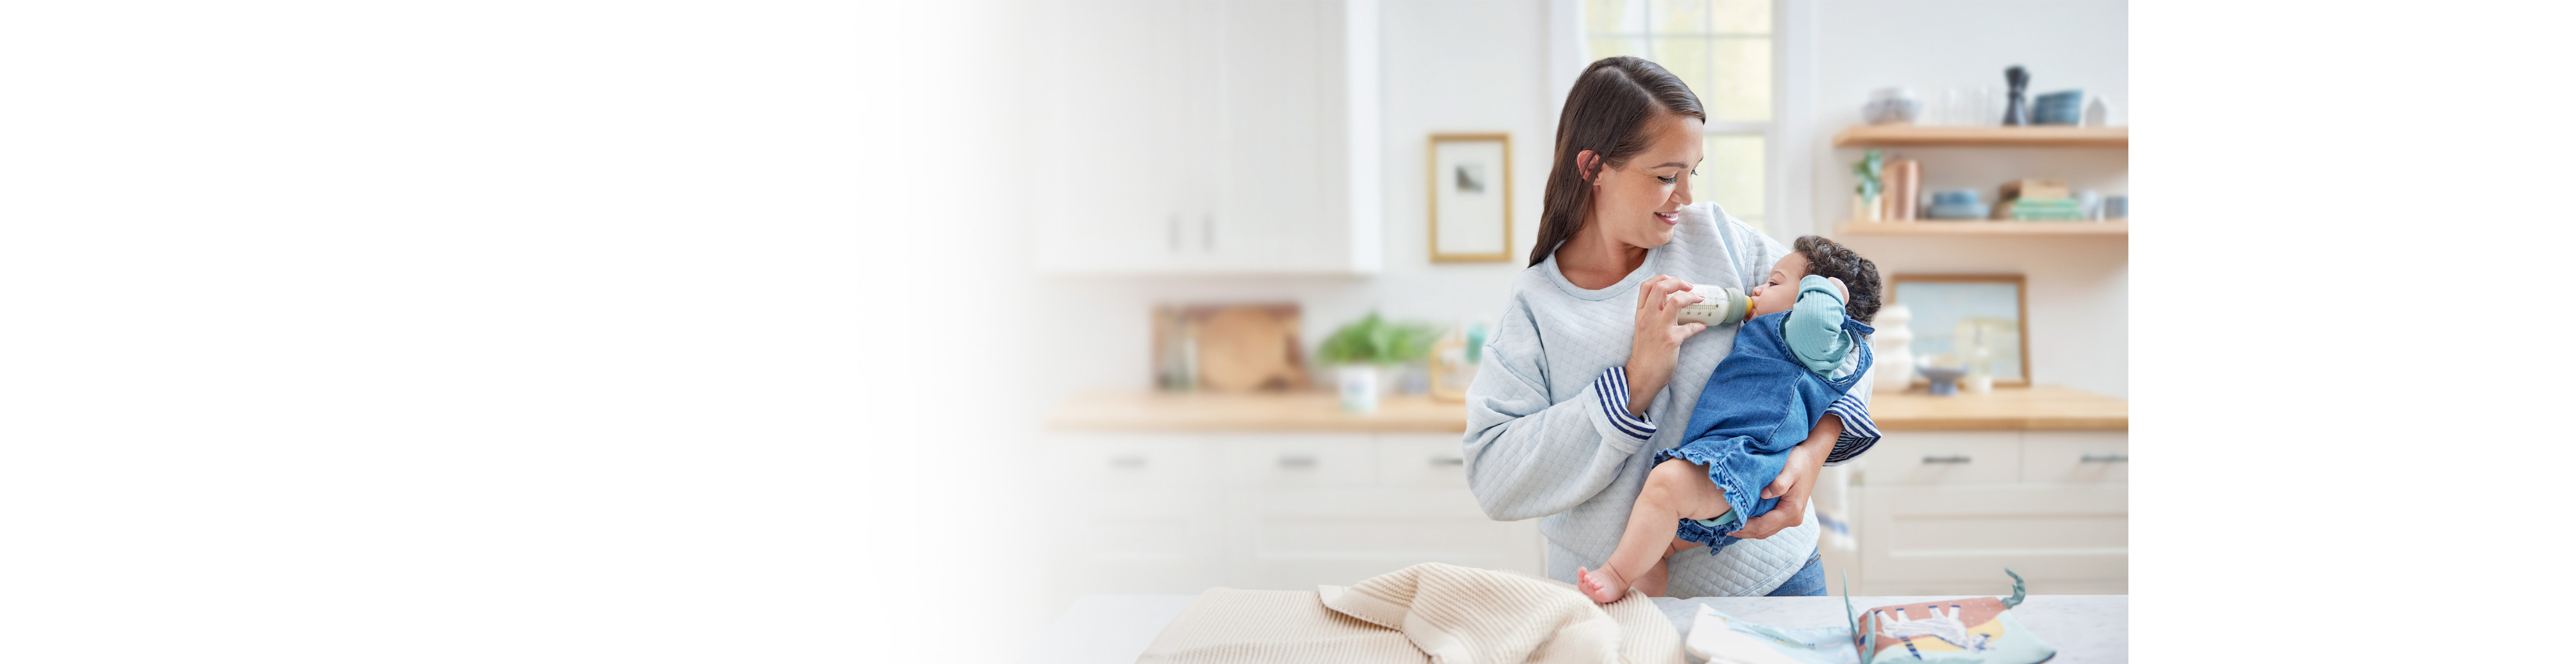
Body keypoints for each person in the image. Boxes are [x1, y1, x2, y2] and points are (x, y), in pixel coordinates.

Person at [1461, 56, 1882, 599]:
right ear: (1592, 168)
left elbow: (1847, 337)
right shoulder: (1537, 306)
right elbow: (1495, 478)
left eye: (1692, 173)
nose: (1685, 196)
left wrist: (1813, 453)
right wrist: (1636, 383)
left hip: (1773, 580)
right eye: (1665, 177)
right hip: (1610, 602)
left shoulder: (1724, 239)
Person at [1576, 236, 1881, 603]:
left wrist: (1828, 289)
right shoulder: (1794, 335)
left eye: (1774, 283)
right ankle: (1648, 585)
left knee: (1665, 486)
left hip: (1745, 459)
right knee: (1663, 541)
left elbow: (1819, 321)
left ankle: (1615, 574)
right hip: (1732, 461)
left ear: (1814, 301)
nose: (1756, 288)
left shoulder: (1811, 340)